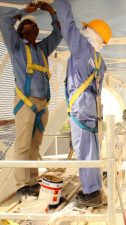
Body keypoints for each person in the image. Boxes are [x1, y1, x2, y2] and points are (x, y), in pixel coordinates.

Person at [0, 1, 62, 199]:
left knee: (35, 146)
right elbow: (3, 20)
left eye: (34, 24)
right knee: (23, 146)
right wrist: (23, 11)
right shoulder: (16, 47)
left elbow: (58, 33)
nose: (31, 26)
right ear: (19, 31)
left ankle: (33, 182)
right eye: (26, 24)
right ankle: (21, 186)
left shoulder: (43, 49)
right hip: (25, 104)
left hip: (42, 106)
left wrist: (52, 12)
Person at [54, 0, 112, 207]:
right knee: (90, 150)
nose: (83, 30)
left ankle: (91, 193)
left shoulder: (82, 48)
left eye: (86, 29)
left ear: (92, 34)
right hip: (92, 109)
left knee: (85, 151)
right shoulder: (99, 60)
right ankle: (92, 188)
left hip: (82, 108)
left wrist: (60, 4)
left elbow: (68, 26)